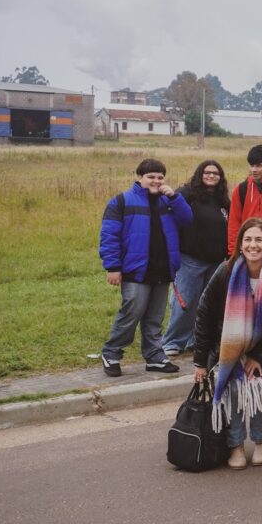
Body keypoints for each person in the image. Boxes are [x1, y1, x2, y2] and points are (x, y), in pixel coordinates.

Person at [192, 218, 262, 469]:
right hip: (228, 348)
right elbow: (204, 314)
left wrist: (261, 357)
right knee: (232, 393)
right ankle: (235, 445)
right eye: (247, 239)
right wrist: (200, 362)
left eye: (259, 240)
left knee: (257, 390)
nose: (253, 245)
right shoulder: (225, 271)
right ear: (240, 244)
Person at [99, 158, 193, 376]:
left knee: (154, 318)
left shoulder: (168, 201)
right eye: (151, 177)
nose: (156, 181)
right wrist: (112, 266)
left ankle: (154, 357)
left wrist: (174, 197)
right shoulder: (121, 201)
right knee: (132, 312)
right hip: (135, 270)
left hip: (162, 269)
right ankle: (111, 353)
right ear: (140, 178)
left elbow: (187, 220)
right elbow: (109, 236)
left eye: (160, 177)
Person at [160, 160, 230, 356]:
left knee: (206, 304)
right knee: (186, 302)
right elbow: (170, 211)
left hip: (216, 262)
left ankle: (195, 340)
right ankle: (172, 342)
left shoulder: (222, 200)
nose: (211, 176)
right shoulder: (187, 193)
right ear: (200, 174)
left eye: (216, 173)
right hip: (190, 259)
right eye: (207, 172)